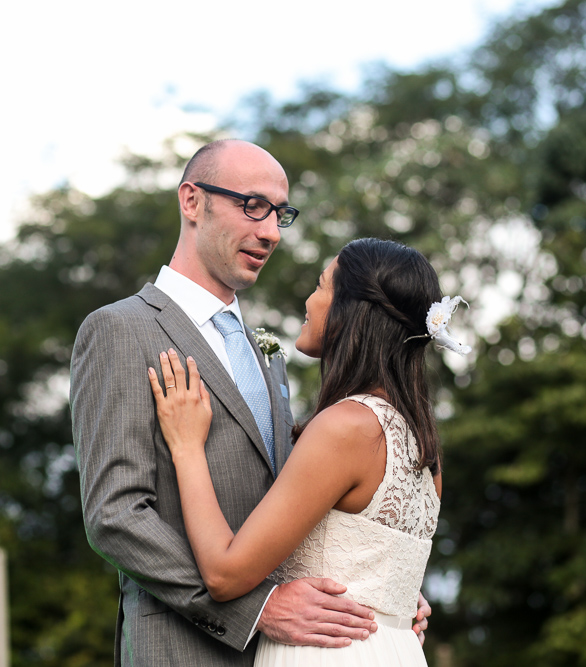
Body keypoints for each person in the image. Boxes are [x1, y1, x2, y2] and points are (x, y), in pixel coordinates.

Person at [71, 140, 431, 666]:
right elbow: (115, 515)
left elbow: (304, 499)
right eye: (253, 206)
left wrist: (379, 585)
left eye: (279, 214)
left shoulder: (267, 353)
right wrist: (257, 609)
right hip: (183, 650)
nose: (271, 232)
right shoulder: (120, 329)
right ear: (192, 201)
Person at [147, 238, 466, 666]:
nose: (309, 301)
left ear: (352, 312)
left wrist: (187, 447)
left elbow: (224, 575)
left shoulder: (345, 426)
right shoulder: (423, 447)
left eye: (321, 286)